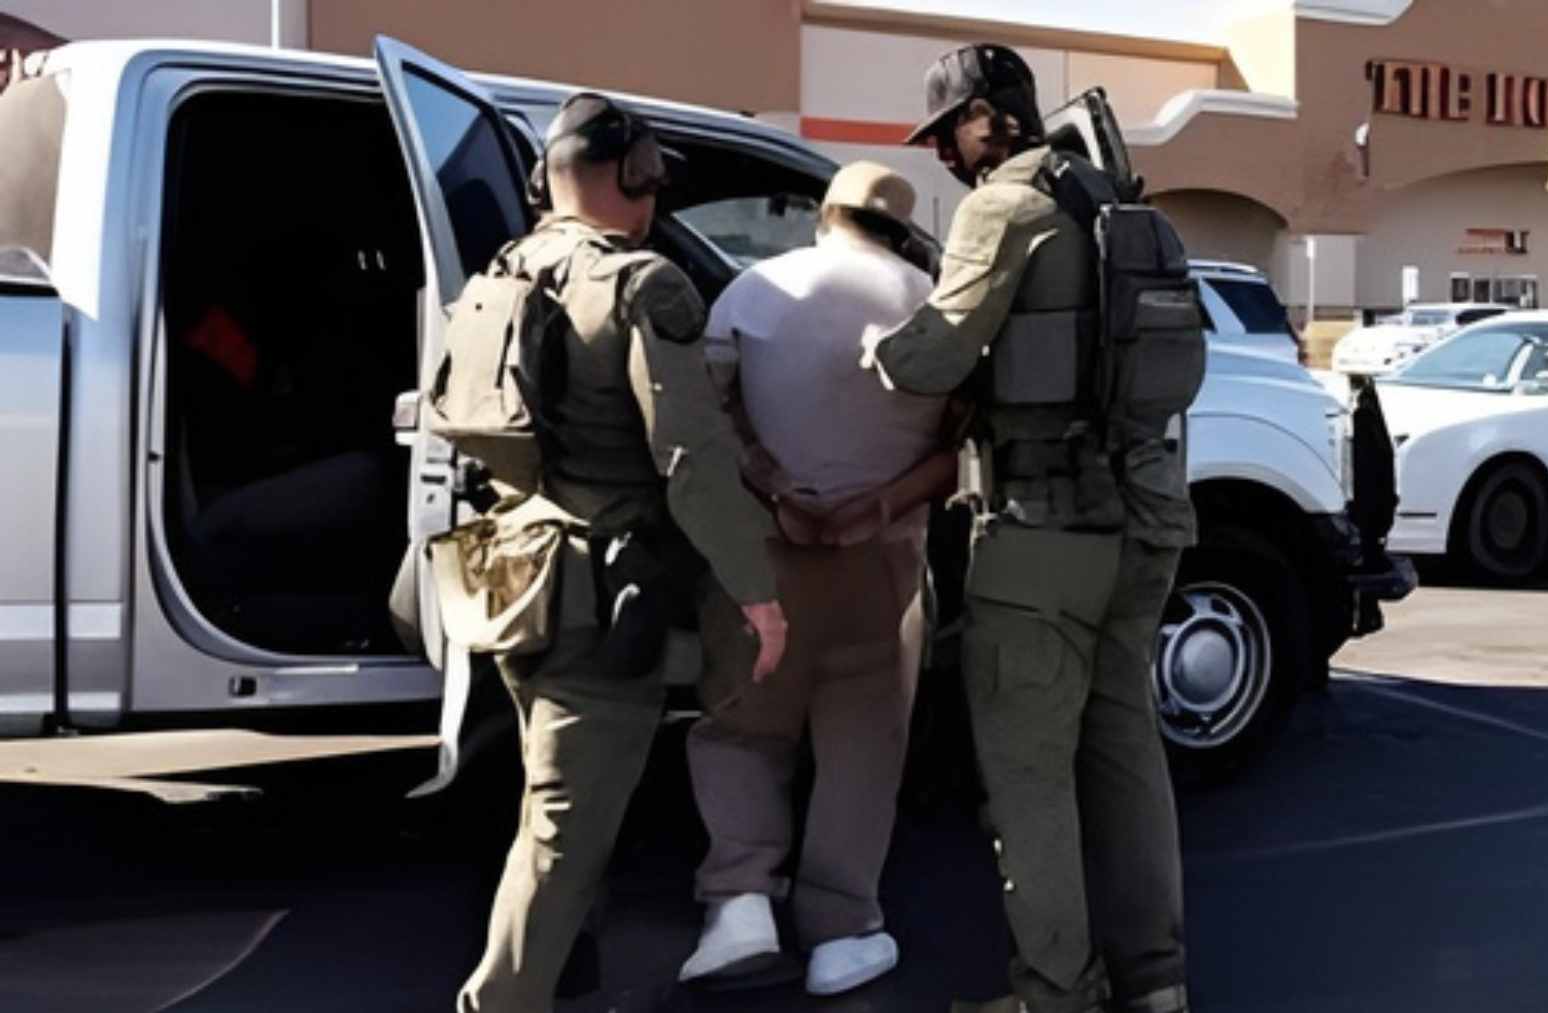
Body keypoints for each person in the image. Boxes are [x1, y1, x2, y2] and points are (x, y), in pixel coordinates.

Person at [866, 45, 1199, 1013]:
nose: (942, 158)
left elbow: (930, 356)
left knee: (1030, 779)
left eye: (946, 134)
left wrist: (873, 350)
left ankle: (1056, 994)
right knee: (1129, 756)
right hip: (1145, 524)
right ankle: (1157, 983)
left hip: (1043, 535)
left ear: (988, 119)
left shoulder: (1002, 206)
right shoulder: (1121, 203)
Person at [457, 92, 788, 1013]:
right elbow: (692, 458)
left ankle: (565, 979)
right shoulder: (645, 284)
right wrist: (756, 593)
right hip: (604, 591)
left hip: (515, 571)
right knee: (565, 835)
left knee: (553, 808)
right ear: (633, 178)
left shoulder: (510, 267)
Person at [679, 161, 954, 996]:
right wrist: (871, 509)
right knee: (864, 744)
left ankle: (739, 904)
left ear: (824, 214)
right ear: (901, 227)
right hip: (884, 562)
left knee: (741, 725)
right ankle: (843, 927)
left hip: (768, 549)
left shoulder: (754, 290)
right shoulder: (934, 306)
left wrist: (781, 492)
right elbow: (961, 447)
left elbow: (705, 419)